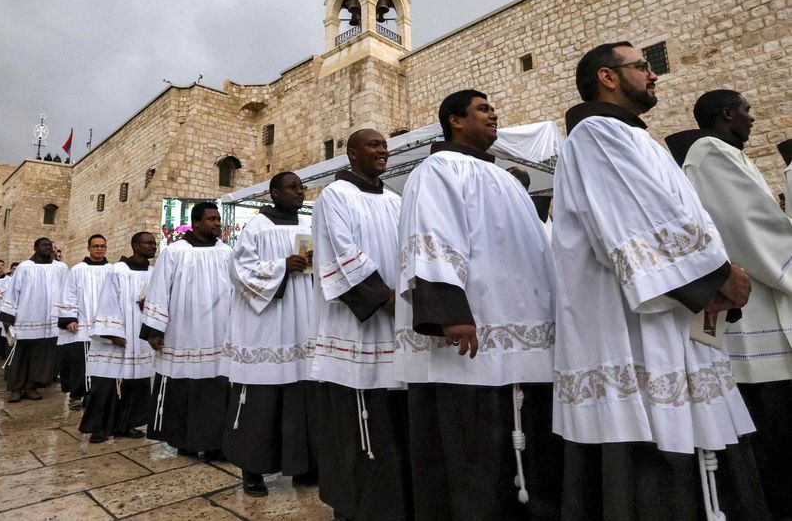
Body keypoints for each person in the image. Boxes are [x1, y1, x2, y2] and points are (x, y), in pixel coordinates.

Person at [553, 42, 765, 520]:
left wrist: (722, 276)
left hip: (677, 310)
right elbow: (631, 221)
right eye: (642, 66)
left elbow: (685, 216)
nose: (653, 75)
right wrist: (715, 277)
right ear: (608, 77)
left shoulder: (637, 138)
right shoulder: (596, 134)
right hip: (631, 327)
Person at [396, 90, 561, 520]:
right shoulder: (438, 169)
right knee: (471, 448)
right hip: (472, 333)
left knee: (522, 442)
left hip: (521, 327)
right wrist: (450, 314)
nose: (494, 115)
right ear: (454, 120)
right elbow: (432, 239)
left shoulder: (505, 178)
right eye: (483, 109)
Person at [665, 89, 792, 520]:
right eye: (747, 110)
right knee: (773, 431)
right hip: (753, 319)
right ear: (725, 114)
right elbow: (751, 228)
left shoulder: (726, 153)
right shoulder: (711, 154)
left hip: (760, 307)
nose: (753, 119)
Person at [311, 129, 413, 521]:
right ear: (351, 154)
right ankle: (352, 505)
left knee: (395, 419)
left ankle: (393, 502)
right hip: (359, 327)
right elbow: (340, 251)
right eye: (373, 145)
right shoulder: (334, 197)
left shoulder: (395, 200)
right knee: (358, 422)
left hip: (399, 322)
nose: (382, 150)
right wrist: (385, 299)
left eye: (384, 145)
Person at [223, 172, 319, 497]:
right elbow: (239, 271)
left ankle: (302, 467)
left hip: (302, 321)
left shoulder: (308, 227)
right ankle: (253, 471)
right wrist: (282, 265)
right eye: (292, 188)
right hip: (266, 325)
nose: (300, 192)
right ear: (274, 193)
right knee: (261, 402)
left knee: (301, 397)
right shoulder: (257, 227)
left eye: (302, 187)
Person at [141, 202, 233, 460]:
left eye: (218, 219)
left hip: (218, 331)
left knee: (217, 387)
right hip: (182, 331)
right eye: (211, 219)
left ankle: (216, 443)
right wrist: (154, 330)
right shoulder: (174, 252)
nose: (217, 223)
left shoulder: (227, 252)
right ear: (196, 223)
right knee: (184, 386)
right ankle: (185, 441)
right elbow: (159, 290)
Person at [79, 232, 157, 443]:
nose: (153, 246)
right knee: (104, 382)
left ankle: (127, 424)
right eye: (148, 243)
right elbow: (108, 300)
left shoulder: (154, 272)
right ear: (135, 245)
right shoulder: (117, 270)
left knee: (138, 382)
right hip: (117, 334)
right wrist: (112, 333)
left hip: (140, 335)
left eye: (154, 243)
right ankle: (99, 427)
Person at [0, 237, 67, 402]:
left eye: (50, 245)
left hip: (49, 321)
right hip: (25, 318)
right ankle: (15, 389)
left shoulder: (61, 268)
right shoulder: (24, 267)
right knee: (18, 355)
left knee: (41, 356)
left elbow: (67, 291)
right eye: (44, 245)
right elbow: (13, 292)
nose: (48, 247)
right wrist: (8, 318)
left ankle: (31, 386)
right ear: (35, 247)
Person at [55, 234, 114, 410]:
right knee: (79, 362)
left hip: (104, 323)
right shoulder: (77, 270)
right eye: (95, 246)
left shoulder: (113, 269)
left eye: (102, 246)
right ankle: (76, 395)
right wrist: (69, 318)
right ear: (88, 248)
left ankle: (95, 396)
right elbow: (69, 294)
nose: (99, 249)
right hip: (81, 323)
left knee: (103, 362)